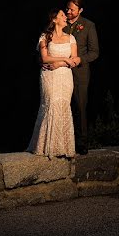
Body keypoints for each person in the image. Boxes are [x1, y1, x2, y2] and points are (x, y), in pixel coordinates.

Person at [27, 9, 78, 158]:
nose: (65, 17)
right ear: (55, 19)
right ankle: (46, 146)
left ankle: (63, 147)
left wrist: (62, 63)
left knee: (63, 105)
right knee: (51, 104)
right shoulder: (45, 37)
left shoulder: (71, 38)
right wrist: (64, 60)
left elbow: (74, 59)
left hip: (65, 76)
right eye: (62, 15)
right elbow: (45, 58)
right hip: (49, 76)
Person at [62, 0, 99, 155]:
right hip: (61, 73)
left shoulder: (89, 25)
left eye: (72, 9)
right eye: (67, 8)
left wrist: (80, 59)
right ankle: (64, 142)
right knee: (63, 107)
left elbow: (95, 52)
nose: (68, 12)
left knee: (80, 107)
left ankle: (82, 143)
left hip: (80, 73)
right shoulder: (60, 24)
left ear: (80, 10)